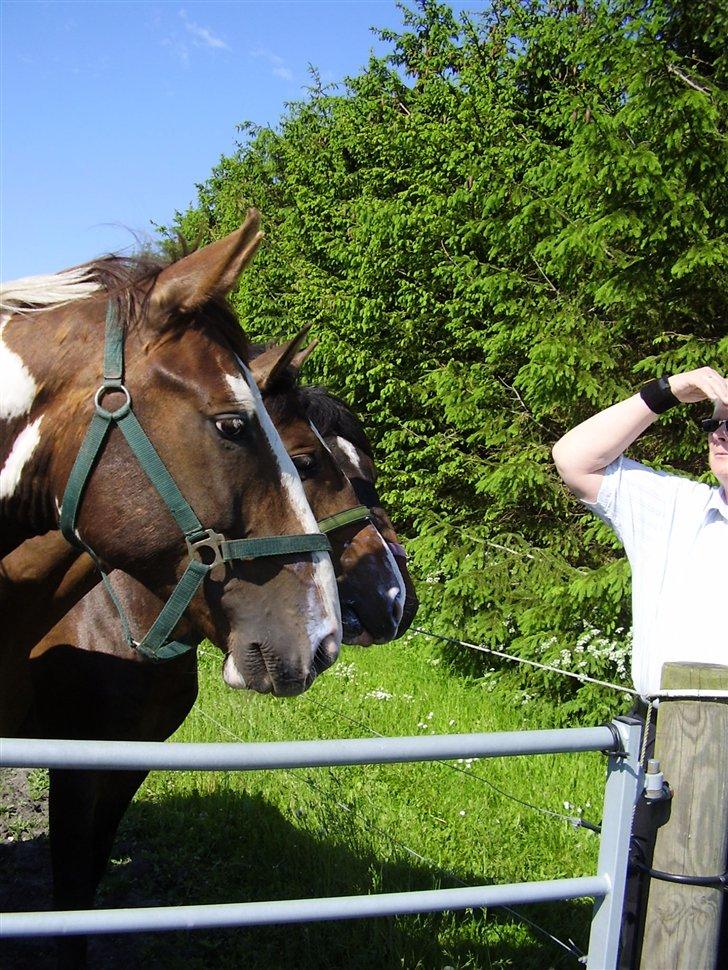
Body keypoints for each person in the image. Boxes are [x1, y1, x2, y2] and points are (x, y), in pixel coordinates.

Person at [552, 366, 728, 968]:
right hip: (661, 756)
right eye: (718, 420)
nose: (721, 432)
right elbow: (574, 458)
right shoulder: (677, 505)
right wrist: (670, 391)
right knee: (642, 919)